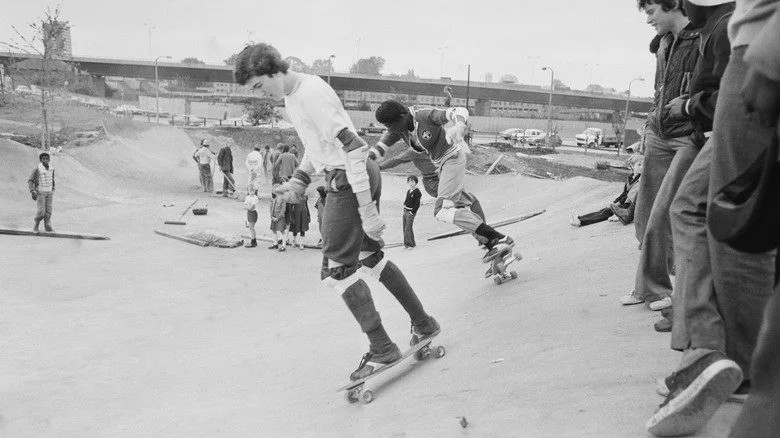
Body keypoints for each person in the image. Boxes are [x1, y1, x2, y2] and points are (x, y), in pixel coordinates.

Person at [234, 42, 439, 380]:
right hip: (346, 176)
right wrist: (300, 181)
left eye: (259, 85)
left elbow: (355, 148)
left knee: (335, 272)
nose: (261, 94)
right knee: (370, 257)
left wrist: (366, 208)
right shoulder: (292, 97)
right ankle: (424, 323)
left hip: (349, 178)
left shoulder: (310, 93)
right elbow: (318, 147)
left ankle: (382, 349)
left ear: (273, 70)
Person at [646, 0, 778, 436]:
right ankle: (712, 348)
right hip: (757, 46)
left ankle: (736, 362)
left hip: (760, 48)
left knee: (733, 224)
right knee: (699, 209)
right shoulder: (702, 32)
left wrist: (769, 55)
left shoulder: (720, 27)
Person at [621, 0, 702, 311]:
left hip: (686, 137)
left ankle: (662, 290)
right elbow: (660, 89)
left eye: (651, 12)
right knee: (643, 219)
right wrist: (649, 127)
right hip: (658, 133)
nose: (648, 20)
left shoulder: (703, 38)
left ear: (673, 6)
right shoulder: (664, 43)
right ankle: (648, 288)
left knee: (663, 214)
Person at [373, 100, 513, 269]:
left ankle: (496, 238)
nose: (392, 130)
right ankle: (492, 244)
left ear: (403, 116)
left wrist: (459, 125)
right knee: (459, 208)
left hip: (452, 160)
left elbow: (457, 111)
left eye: (392, 125)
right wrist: (370, 158)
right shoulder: (399, 128)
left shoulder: (424, 116)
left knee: (443, 211)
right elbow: (383, 144)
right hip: (442, 168)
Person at [378, 146, 486, 220]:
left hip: (442, 180)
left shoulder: (438, 145)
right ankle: (484, 234)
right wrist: (379, 167)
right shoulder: (415, 151)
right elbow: (396, 160)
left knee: (461, 205)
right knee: (471, 200)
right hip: (433, 183)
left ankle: (473, 226)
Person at [570, 155, 644, 227]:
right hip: (624, 201)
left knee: (606, 212)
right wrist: (615, 202)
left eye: (643, 165)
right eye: (639, 165)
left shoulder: (640, 179)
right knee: (604, 210)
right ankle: (580, 218)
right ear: (632, 166)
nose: (642, 167)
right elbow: (624, 193)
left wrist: (617, 204)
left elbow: (629, 195)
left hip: (629, 204)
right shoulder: (629, 178)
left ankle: (581, 222)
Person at [27, 151, 55, 233]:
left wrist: (53, 187)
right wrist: (32, 191)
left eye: (47, 158)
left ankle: (47, 225)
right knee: (41, 212)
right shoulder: (37, 169)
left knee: (49, 211)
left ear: (49, 159)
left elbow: (52, 179)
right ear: (40, 160)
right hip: (41, 193)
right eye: (43, 159)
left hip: (49, 192)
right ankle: (36, 224)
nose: (45, 160)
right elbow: (30, 180)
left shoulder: (52, 169)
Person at [403, 175, 422, 249]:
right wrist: (404, 206)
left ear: (416, 182)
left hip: (411, 212)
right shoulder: (409, 191)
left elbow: (417, 204)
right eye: (409, 181)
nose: (411, 183)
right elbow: (406, 200)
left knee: (407, 228)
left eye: (412, 181)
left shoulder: (417, 192)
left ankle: (409, 245)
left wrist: (412, 212)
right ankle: (410, 243)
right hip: (405, 211)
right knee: (405, 228)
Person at [268, 185, 288, 252]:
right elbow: (271, 208)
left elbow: (283, 211)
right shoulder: (274, 199)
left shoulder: (283, 199)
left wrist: (278, 218)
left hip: (280, 217)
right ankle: (275, 243)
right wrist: (271, 216)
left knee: (282, 231)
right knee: (274, 229)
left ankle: (283, 246)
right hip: (273, 216)